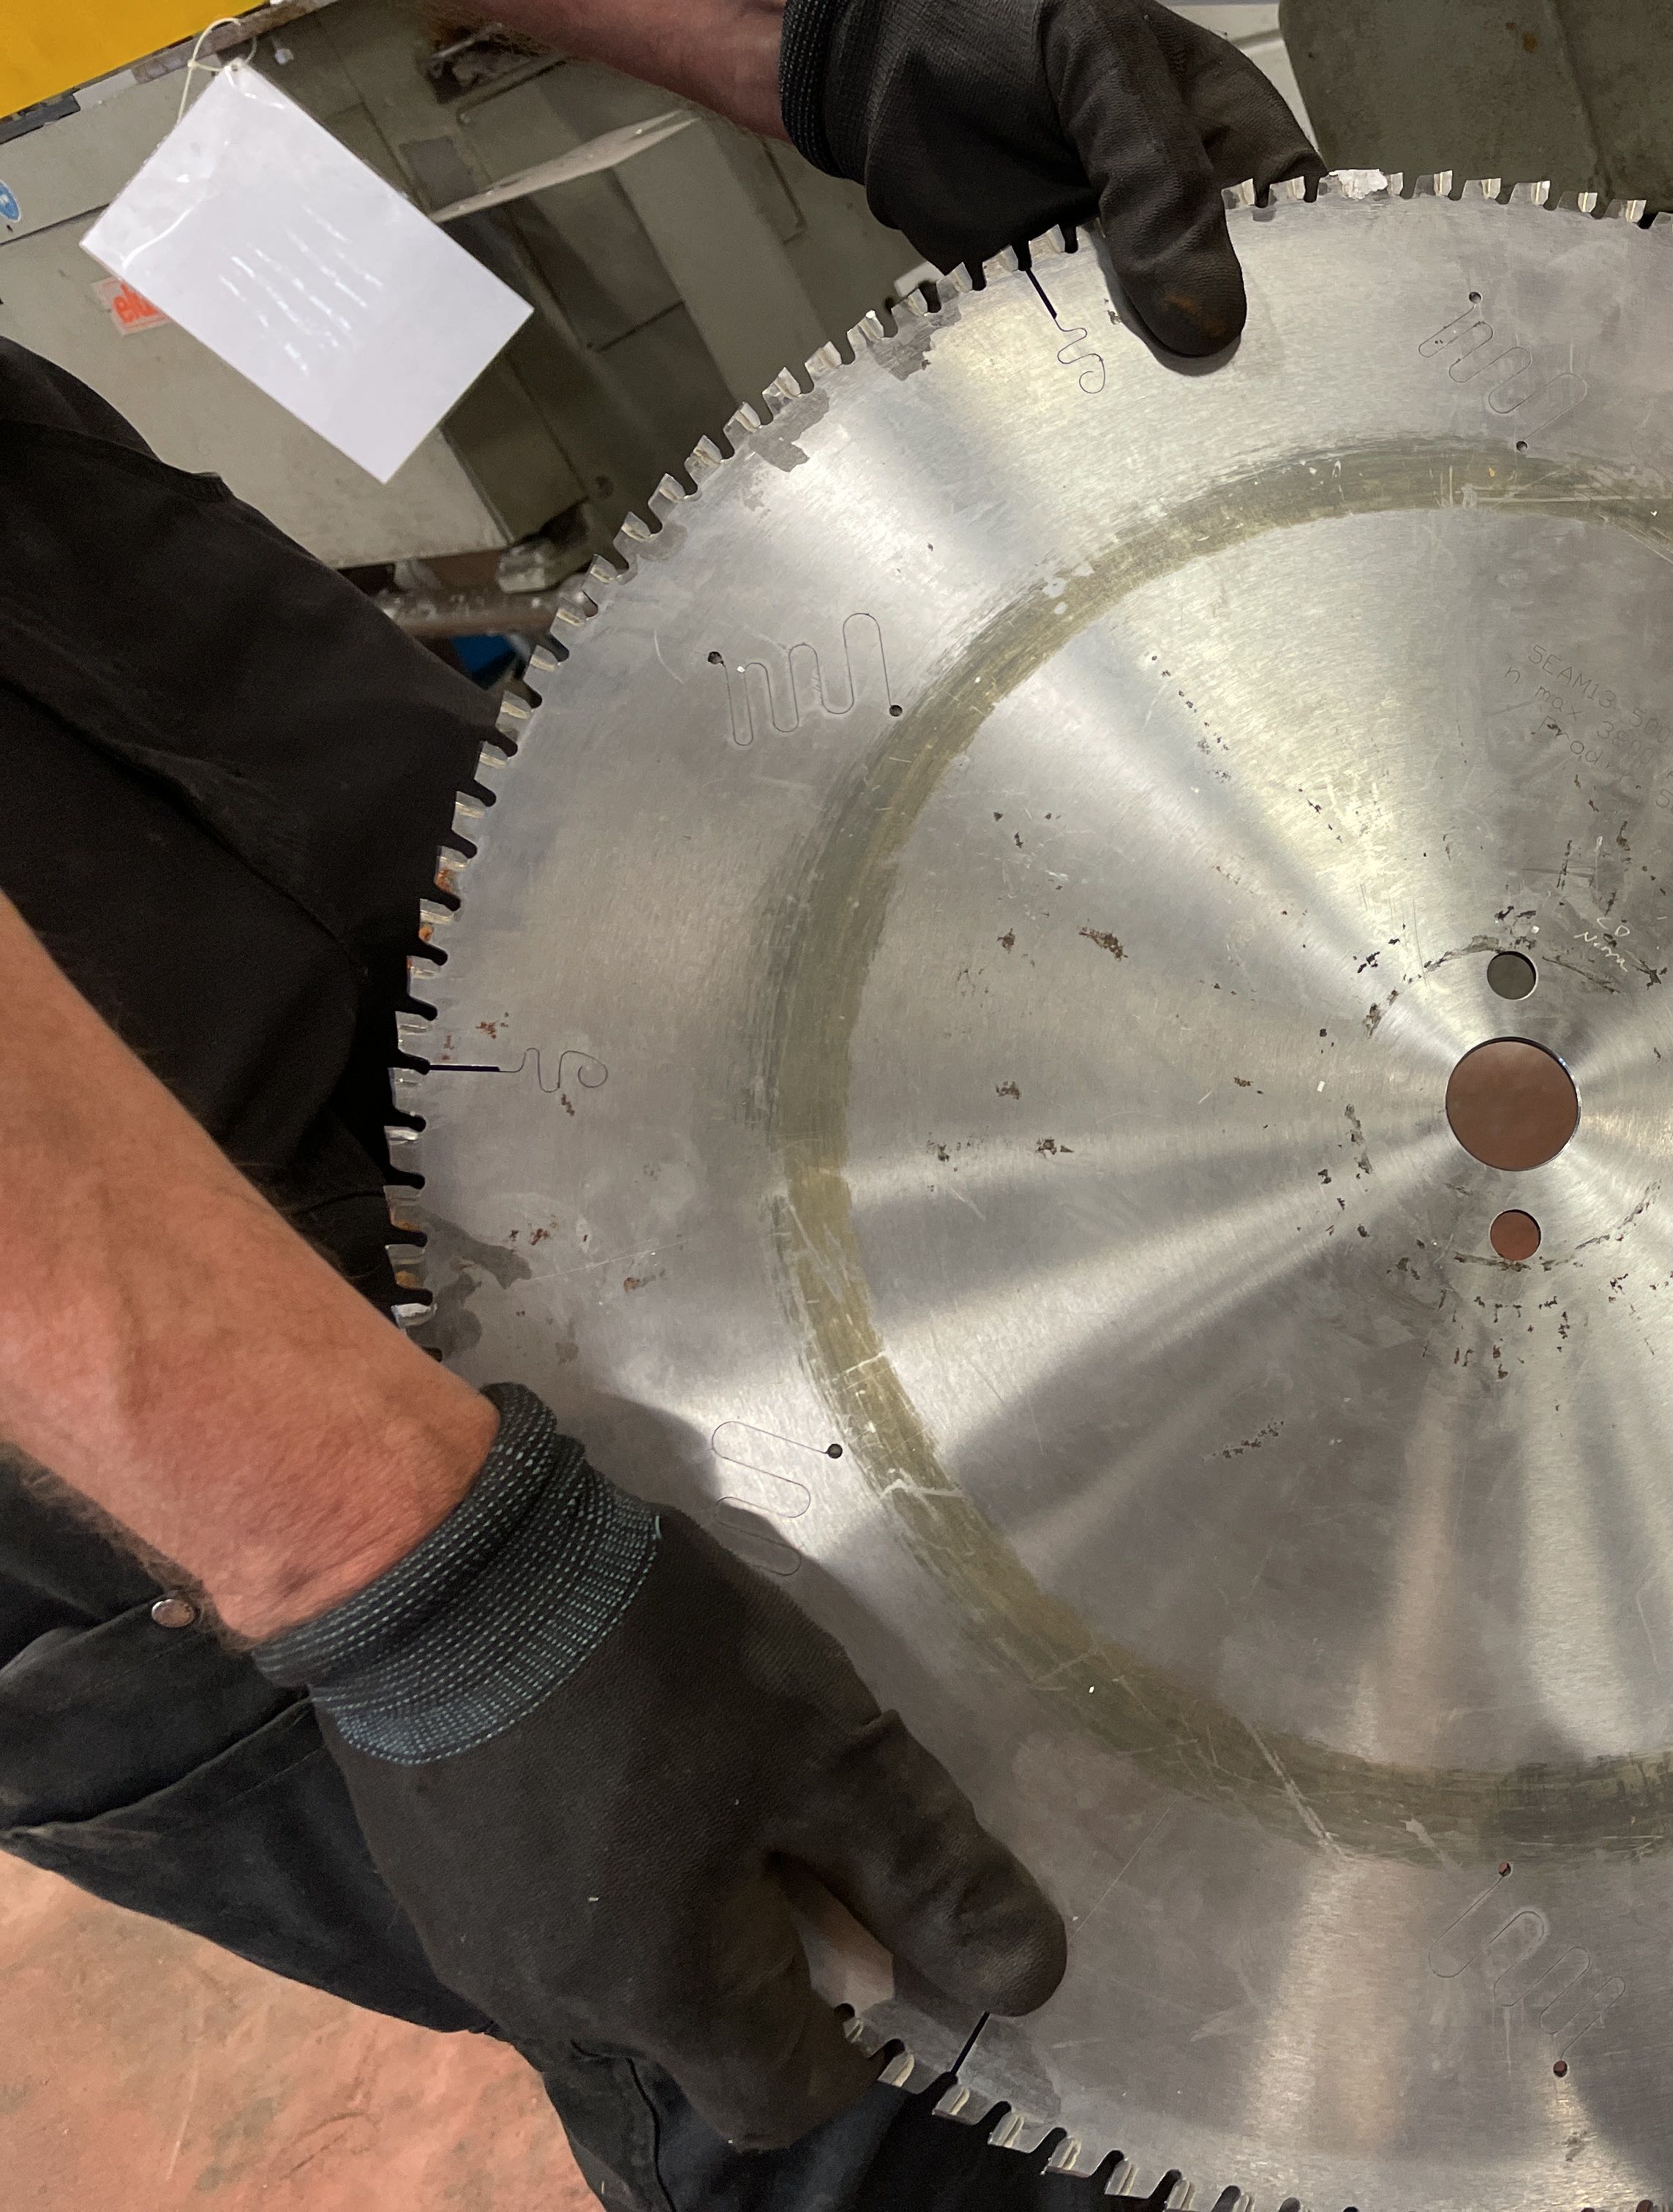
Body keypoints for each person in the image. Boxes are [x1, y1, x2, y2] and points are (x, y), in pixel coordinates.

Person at [0, 4, 1318, 2206]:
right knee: (930, 2020)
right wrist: (389, 1567)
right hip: (94, 1352)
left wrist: (813, 31)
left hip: (100, 620)